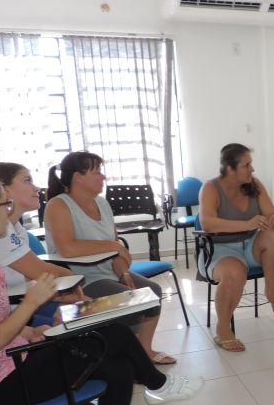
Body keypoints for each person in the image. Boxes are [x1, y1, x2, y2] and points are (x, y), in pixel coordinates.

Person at [0, 170, 204, 405]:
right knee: (113, 334)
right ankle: (158, 386)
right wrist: (31, 303)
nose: (10, 209)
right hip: (3, 384)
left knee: (119, 366)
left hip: (14, 362)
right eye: (6, 204)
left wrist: (30, 330)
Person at [43, 151, 177, 365]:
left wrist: (123, 272)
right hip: (80, 281)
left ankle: (144, 351)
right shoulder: (58, 205)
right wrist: (114, 246)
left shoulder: (102, 203)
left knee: (154, 291)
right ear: (79, 177)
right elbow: (67, 248)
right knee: (135, 301)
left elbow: (116, 251)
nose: (103, 177)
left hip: (108, 273)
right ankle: (131, 357)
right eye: (97, 172)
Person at [198, 143, 274, 352]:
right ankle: (223, 329)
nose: (252, 169)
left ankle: (270, 290)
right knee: (235, 272)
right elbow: (207, 223)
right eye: (247, 165)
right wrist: (247, 224)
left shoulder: (254, 184)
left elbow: (273, 214)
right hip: (218, 249)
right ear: (230, 169)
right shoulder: (210, 188)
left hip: (250, 247)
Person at [0, 162, 86, 326]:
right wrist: (70, 276)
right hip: (4, 317)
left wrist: (68, 294)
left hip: (20, 305)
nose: (36, 188)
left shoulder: (17, 229)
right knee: (87, 321)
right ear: (4, 190)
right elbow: (43, 272)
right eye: (27, 181)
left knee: (90, 311)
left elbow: (30, 280)